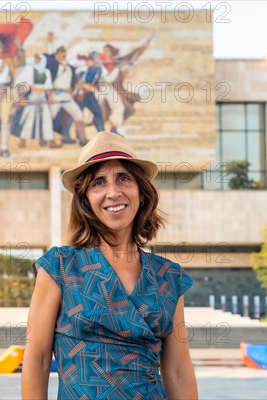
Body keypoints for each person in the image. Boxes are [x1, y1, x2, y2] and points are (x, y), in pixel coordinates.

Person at [22, 131, 198, 399]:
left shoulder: (168, 277)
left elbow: (178, 371)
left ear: (141, 191)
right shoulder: (59, 267)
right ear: (85, 200)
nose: (113, 193)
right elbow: (38, 359)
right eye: (98, 183)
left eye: (123, 179)